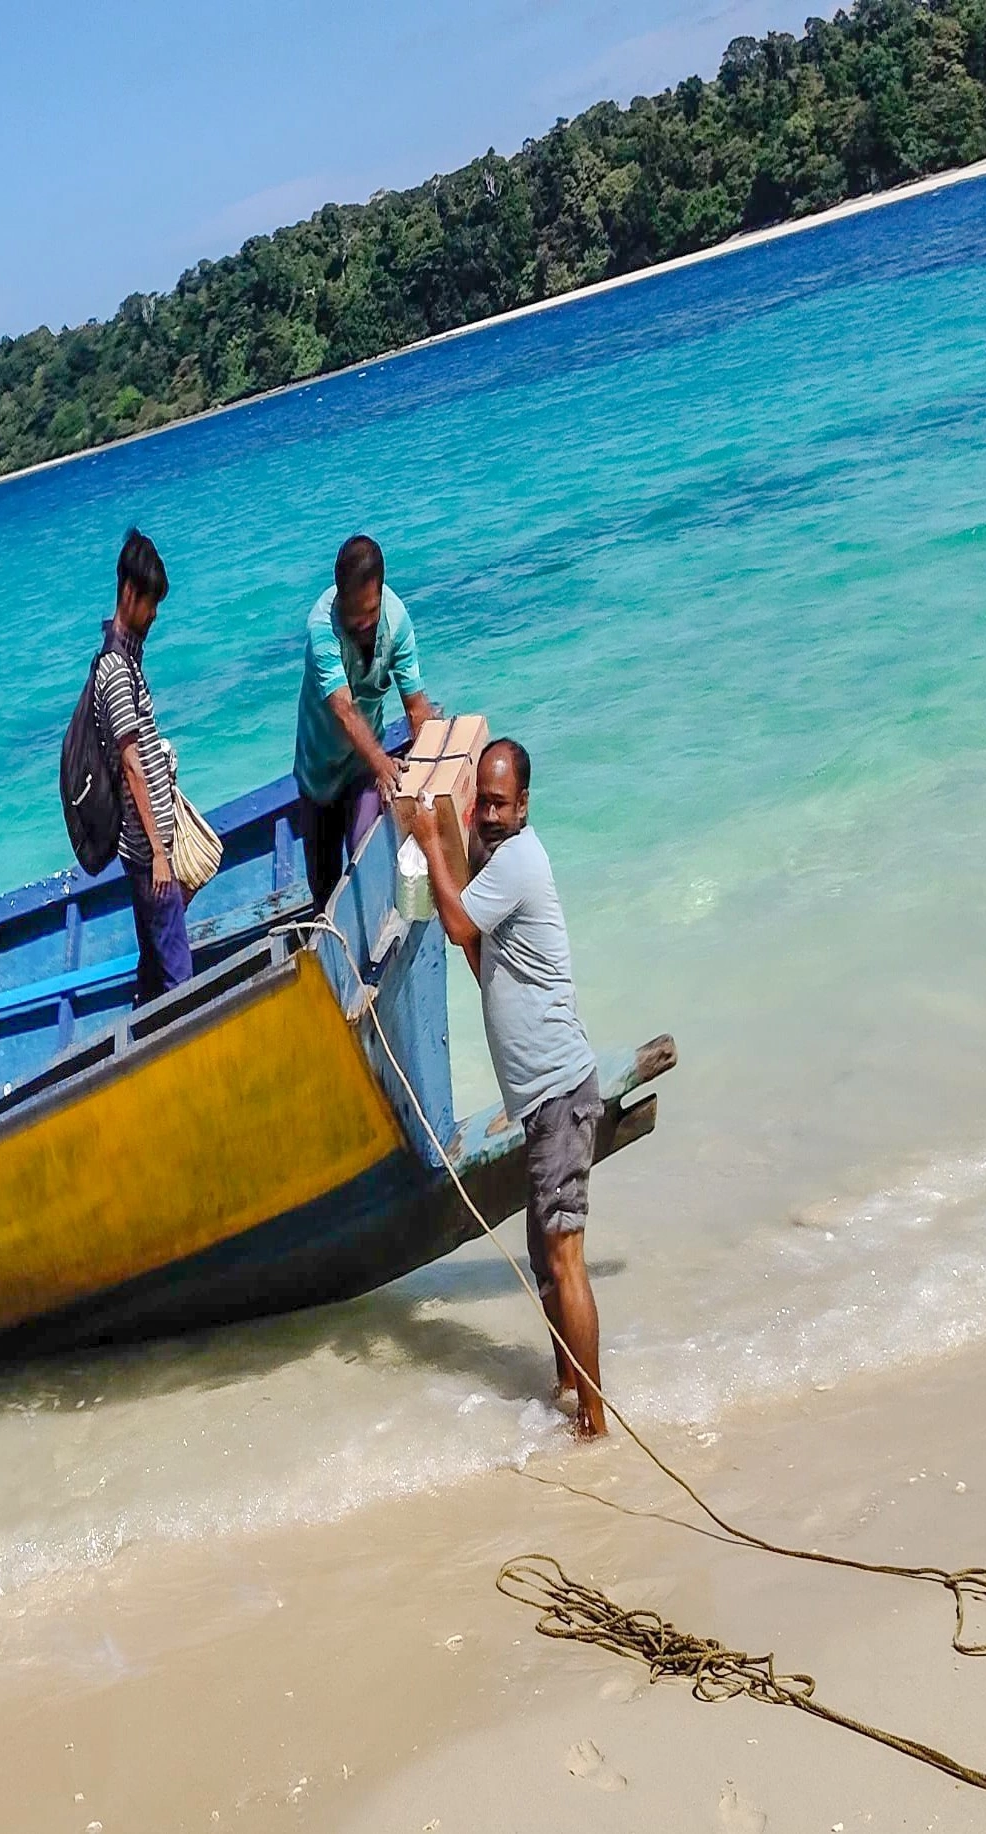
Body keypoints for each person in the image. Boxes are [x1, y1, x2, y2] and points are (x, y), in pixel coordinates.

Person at [406, 738, 607, 1437]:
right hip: (544, 1103)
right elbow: (477, 953)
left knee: (563, 1258)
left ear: (523, 805)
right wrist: (449, 839)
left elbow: (457, 919)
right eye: (481, 803)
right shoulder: (500, 869)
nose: (488, 815)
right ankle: (565, 1387)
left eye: (499, 803)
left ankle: (595, 1423)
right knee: (545, 1261)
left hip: (559, 1095)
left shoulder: (519, 861)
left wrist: (432, 842)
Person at [293, 534, 438, 914]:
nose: (362, 622)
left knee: (366, 856)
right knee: (326, 894)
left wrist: (429, 777)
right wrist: (383, 762)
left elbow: (416, 707)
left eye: (370, 612)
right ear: (339, 597)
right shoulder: (321, 627)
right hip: (318, 772)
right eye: (353, 614)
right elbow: (342, 708)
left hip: (362, 767)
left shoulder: (397, 620)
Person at [93, 528, 192, 1004]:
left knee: (155, 967)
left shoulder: (127, 662)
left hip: (148, 847)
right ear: (129, 594)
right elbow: (131, 767)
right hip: (147, 850)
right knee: (177, 973)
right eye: (150, 604)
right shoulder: (115, 670)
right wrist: (158, 852)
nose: (154, 615)